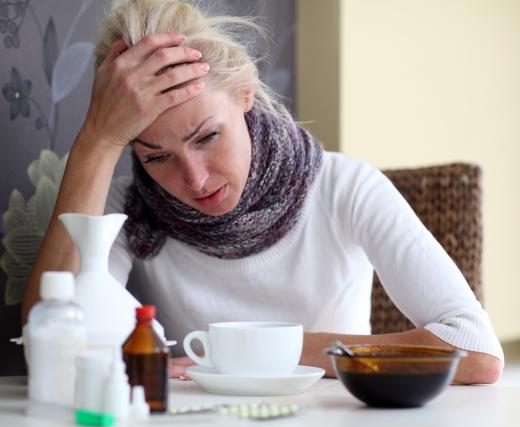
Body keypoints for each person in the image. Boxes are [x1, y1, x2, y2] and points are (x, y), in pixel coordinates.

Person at [21, 0, 503, 383]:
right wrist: (98, 140)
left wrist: (240, 350)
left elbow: (477, 351)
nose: (195, 179)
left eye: (207, 137)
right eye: (157, 157)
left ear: (245, 94)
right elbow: (52, 338)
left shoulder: (343, 186)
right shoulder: (127, 210)